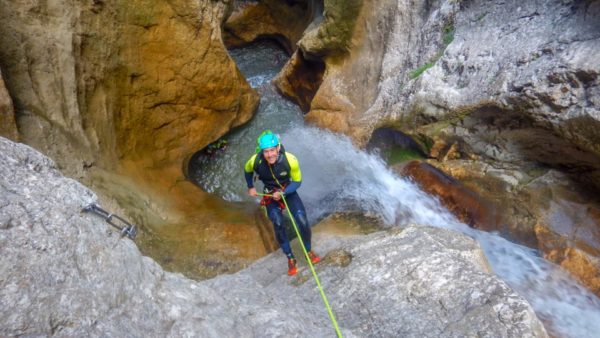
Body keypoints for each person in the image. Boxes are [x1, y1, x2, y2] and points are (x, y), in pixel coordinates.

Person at [244, 130, 320, 276]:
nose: (270, 154)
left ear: (278, 148)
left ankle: (308, 251)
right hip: (269, 193)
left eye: (272, 150)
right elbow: (247, 171)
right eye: (266, 151)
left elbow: (297, 181)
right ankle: (290, 258)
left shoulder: (290, 159)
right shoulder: (255, 160)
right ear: (262, 151)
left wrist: (284, 193)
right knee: (278, 222)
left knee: (302, 220)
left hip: (287, 190)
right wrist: (251, 186)